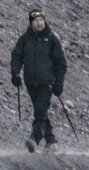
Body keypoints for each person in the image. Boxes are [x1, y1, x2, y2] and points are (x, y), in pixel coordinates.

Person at [10, 8, 68, 153]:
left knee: (40, 110)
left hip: (47, 81)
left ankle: (35, 138)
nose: (39, 23)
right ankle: (51, 140)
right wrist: (15, 73)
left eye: (41, 20)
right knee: (39, 110)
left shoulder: (52, 39)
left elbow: (61, 62)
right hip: (31, 81)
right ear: (31, 23)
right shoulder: (25, 39)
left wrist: (59, 82)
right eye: (36, 21)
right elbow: (16, 56)